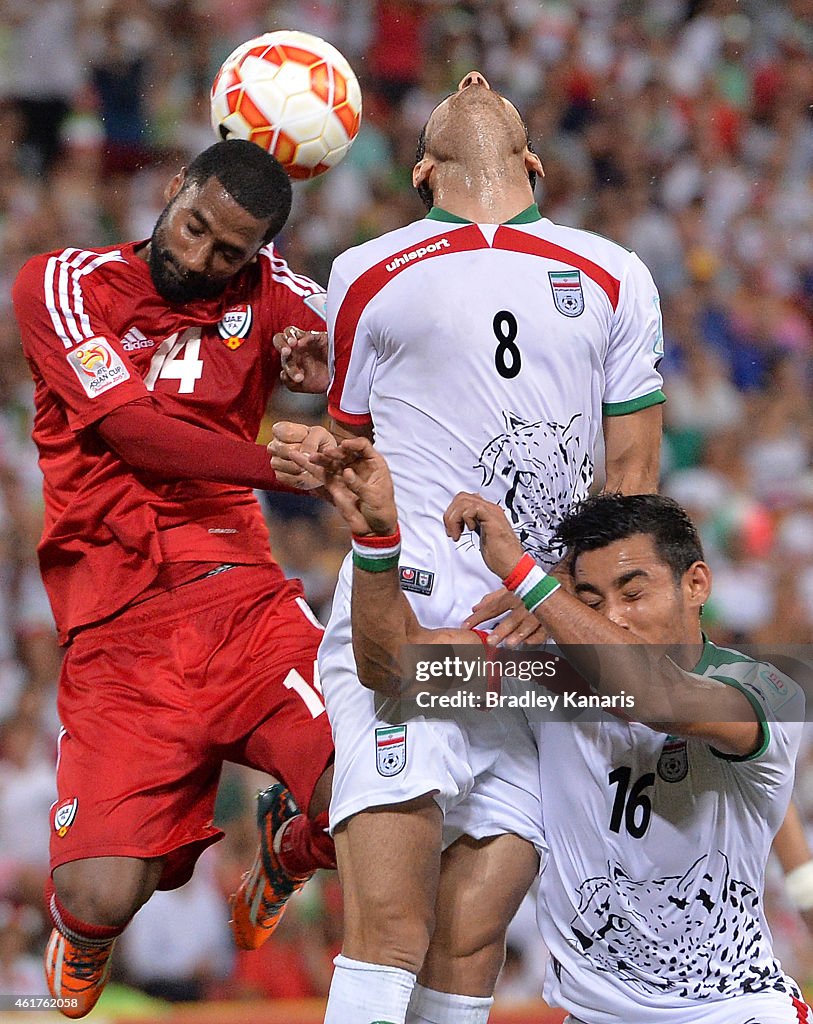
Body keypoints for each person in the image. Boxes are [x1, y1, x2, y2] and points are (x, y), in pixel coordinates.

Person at [270, 71, 664, 1024]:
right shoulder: (364, 272)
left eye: (485, 85)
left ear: (535, 161)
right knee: (393, 932)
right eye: (456, 93)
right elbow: (361, 458)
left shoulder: (615, 270)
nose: (473, 79)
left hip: (538, 648)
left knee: (470, 943)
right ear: (422, 169)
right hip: (417, 628)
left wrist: (569, 604)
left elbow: (635, 472)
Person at [304, 436, 810, 1024]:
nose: (614, 615)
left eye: (634, 591)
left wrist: (528, 579)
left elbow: (652, 696)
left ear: (696, 584)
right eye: (592, 599)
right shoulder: (550, 675)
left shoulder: (764, 689)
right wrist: (377, 542)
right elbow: (397, 667)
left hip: (735, 1010)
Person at [12, 139, 337, 1019]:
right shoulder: (61, 284)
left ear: (259, 252)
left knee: (378, 801)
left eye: (227, 252)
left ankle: (291, 845)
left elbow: (382, 345)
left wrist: (341, 375)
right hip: (116, 632)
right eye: (192, 228)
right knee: (100, 899)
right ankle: (79, 932)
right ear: (172, 190)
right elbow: (135, 434)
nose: (197, 259)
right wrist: (279, 461)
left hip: (243, 602)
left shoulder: (279, 299)